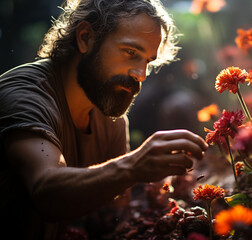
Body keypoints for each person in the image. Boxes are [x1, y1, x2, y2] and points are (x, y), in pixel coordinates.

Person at [0, 0, 208, 239]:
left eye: (148, 62)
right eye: (131, 53)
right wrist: (133, 167)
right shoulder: (24, 94)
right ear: (85, 38)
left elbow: (113, 220)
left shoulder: (110, 117)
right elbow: (46, 192)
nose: (140, 75)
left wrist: (153, 199)